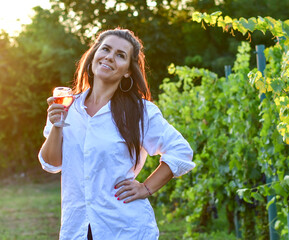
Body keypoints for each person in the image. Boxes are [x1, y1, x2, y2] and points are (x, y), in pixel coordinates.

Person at [38, 28, 195, 240]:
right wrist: (57, 125)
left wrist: (146, 188)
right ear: (94, 55)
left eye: (120, 55)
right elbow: (51, 164)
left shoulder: (140, 112)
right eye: (106, 49)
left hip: (125, 229)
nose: (109, 57)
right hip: (77, 229)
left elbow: (180, 151)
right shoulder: (67, 107)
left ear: (128, 71)